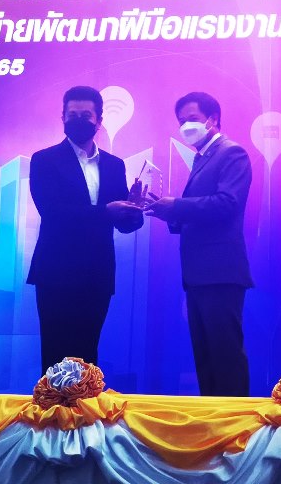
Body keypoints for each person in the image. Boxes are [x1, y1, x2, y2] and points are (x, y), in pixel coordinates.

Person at [27, 85, 143, 374]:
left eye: (86, 115)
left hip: (97, 272)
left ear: (99, 121)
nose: (78, 120)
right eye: (72, 115)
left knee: (88, 354)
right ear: (63, 118)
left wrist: (135, 208)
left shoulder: (114, 165)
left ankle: (86, 406)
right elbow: (53, 213)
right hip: (56, 271)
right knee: (56, 357)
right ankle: (54, 406)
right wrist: (107, 211)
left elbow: (124, 224)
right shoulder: (43, 160)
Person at [146, 92, 253, 396]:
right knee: (206, 361)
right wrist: (168, 212)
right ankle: (213, 421)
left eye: (192, 118)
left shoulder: (231, 153)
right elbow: (200, 212)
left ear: (213, 118)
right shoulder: (203, 157)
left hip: (220, 272)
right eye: (181, 121)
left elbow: (227, 204)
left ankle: (234, 423)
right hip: (200, 275)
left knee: (225, 358)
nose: (185, 126)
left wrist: (177, 206)